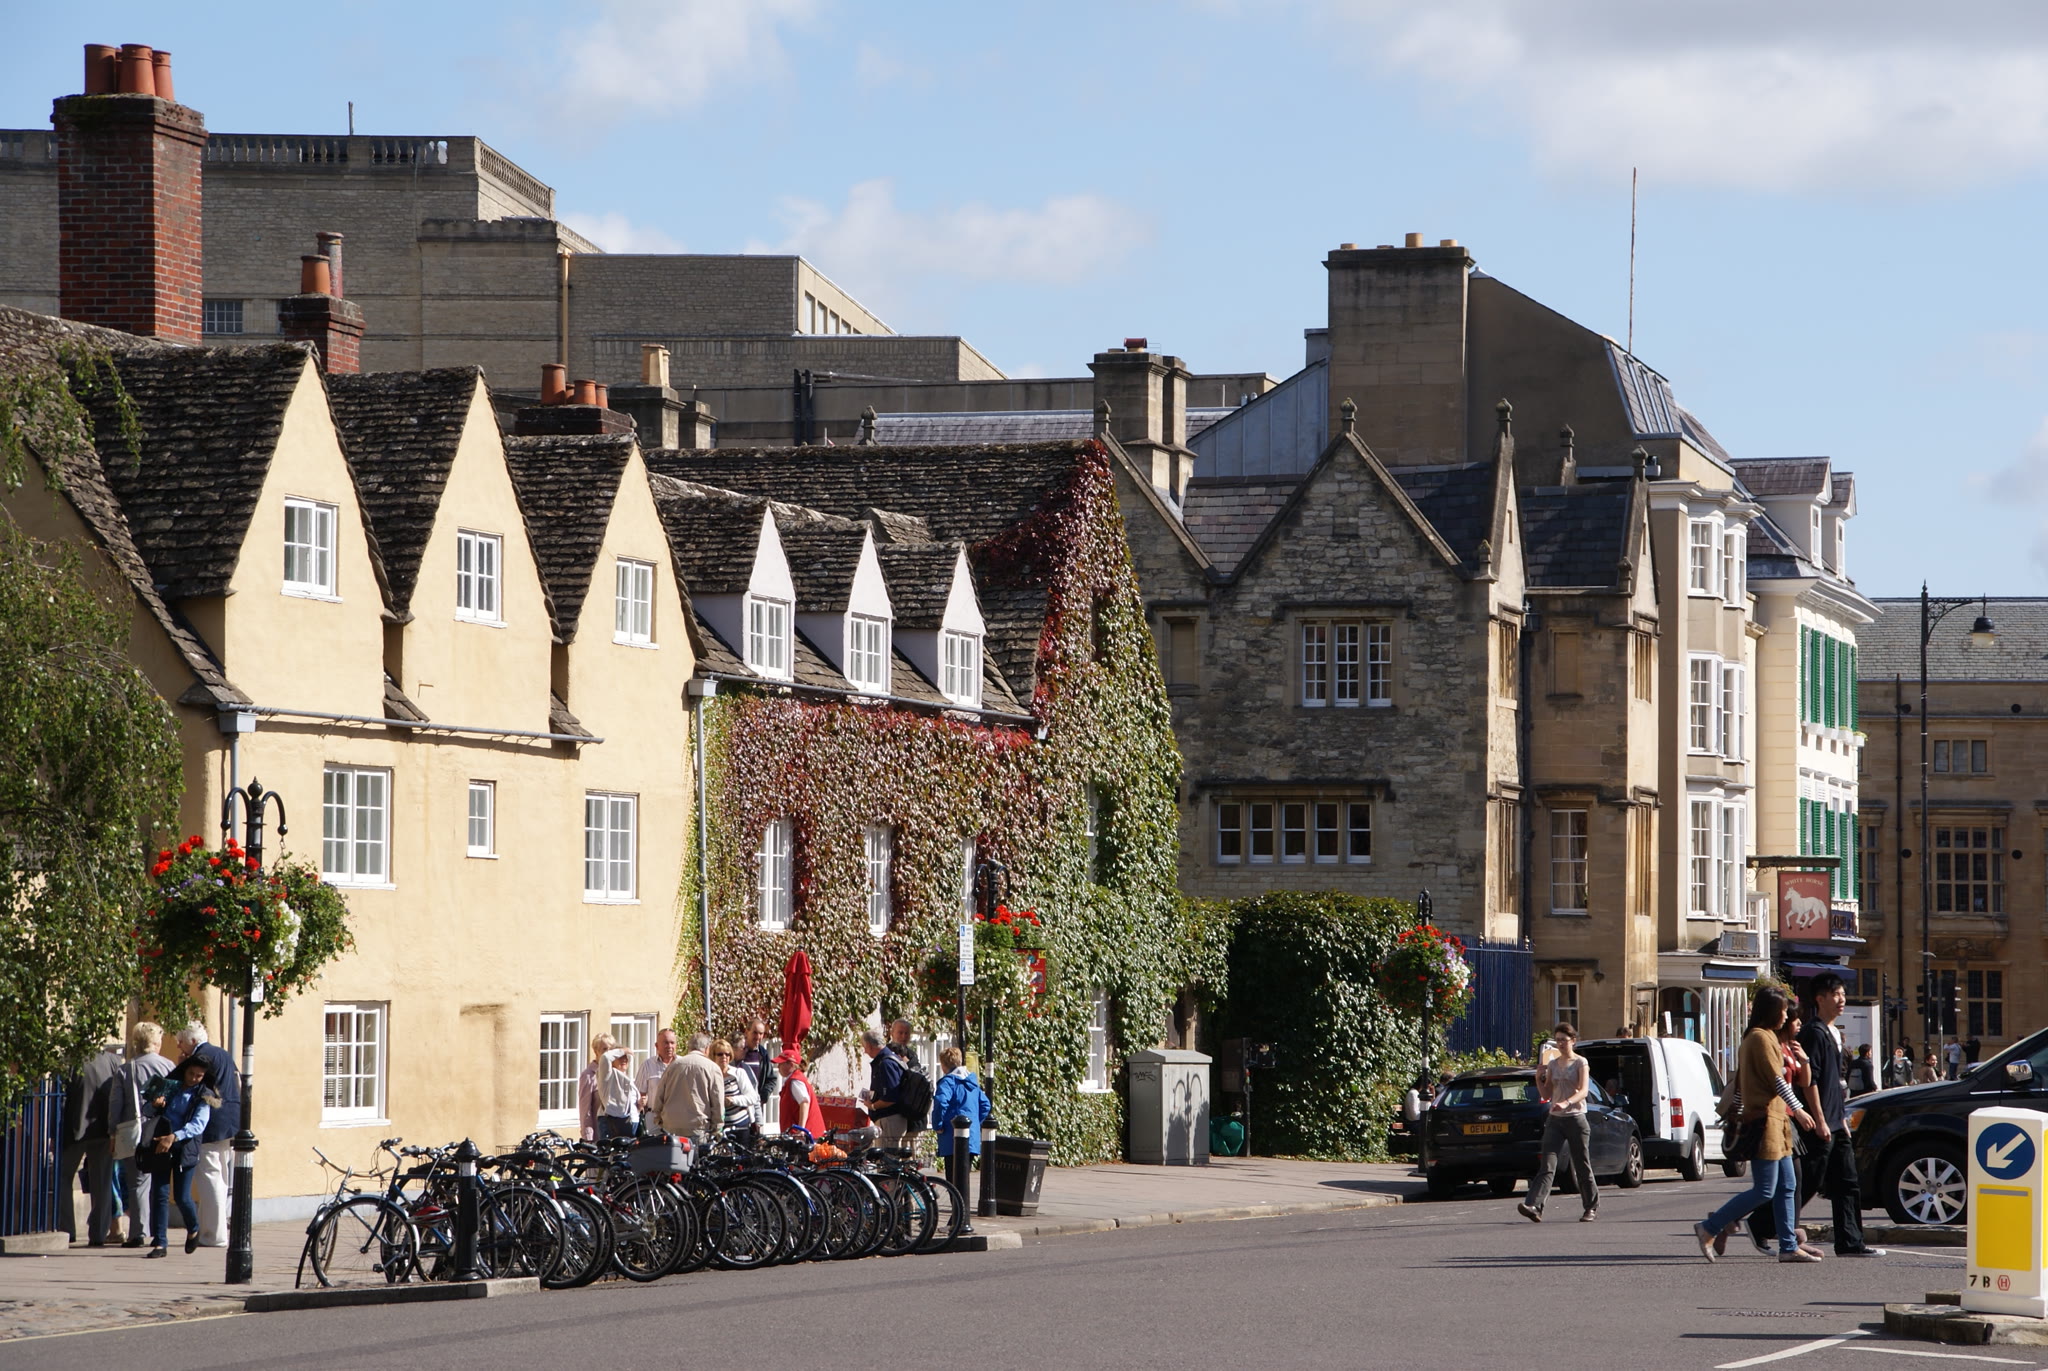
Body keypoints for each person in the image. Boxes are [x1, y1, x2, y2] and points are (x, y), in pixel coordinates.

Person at [1756, 977, 1884, 1259]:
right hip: (1818, 1122)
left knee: (1847, 1181)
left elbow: (1835, 1082)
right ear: (1820, 999)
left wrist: (1841, 1119)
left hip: (1837, 1121)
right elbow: (1808, 1082)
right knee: (1809, 1180)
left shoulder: (1834, 1032)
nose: (1841, 999)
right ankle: (1761, 1223)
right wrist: (1820, 1119)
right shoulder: (1814, 1033)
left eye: (1843, 994)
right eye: (1835, 994)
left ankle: (1850, 1242)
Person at [1694, 987, 1823, 1263]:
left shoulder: (1762, 1038)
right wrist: (1799, 1110)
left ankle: (1788, 1246)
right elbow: (1776, 1080)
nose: (1786, 1016)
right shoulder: (1760, 1038)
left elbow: (1744, 1081)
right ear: (1771, 1012)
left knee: (1787, 1185)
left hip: (1778, 1122)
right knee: (1765, 1189)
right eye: (1783, 1011)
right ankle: (1710, 1227)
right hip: (1767, 1123)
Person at [1516, 1023, 1598, 1224]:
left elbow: (1583, 1091)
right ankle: (1534, 1206)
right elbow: (1546, 1094)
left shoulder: (1580, 1062)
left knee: (1581, 1164)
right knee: (1547, 1164)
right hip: (1555, 1120)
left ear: (1573, 1041)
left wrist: (1567, 1102)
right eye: (1558, 1040)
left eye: (1564, 1040)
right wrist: (1538, 1079)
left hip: (1576, 1118)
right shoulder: (1552, 1064)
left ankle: (1590, 1207)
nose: (1560, 1044)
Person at [140, 1057, 215, 1258]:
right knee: (160, 1193)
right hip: (161, 1145)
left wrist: (174, 1137)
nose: (193, 1078)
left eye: (199, 1076)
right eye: (191, 1073)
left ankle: (193, 1227)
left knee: (182, 1197)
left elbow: (198, 1125)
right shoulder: (171, 1087)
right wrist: (155, 1104)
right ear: (184, 1070)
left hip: (185, 1148)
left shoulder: (204, 1095)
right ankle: (160, 1243)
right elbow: (147, 1110)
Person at [174, 1022, 240, 1248]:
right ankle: (211, 1230)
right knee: (220, 1176)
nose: (179, 1047)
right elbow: (237, 1083)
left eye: (180, 1042)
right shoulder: (222, 1053)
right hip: (229, 1120)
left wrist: (182, 1066)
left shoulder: (199, 1058)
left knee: (210, 1177)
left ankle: (214, 1234)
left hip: (210, 1123)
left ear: (192, 1041)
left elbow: (187, 1087)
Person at [111, 1022, 175, 1248]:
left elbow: (116, 1105)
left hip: (135, 1131)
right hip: (161, 1130)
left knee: (137, 1183)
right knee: (160, 1182)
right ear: (155, 1042)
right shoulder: (168, 1066)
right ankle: (159, 1232)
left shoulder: (126, 1069)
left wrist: (112, 1132)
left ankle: (138, 1232)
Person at [57, 1038, 122, 1247]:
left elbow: (61, 1098)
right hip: (104, 1129)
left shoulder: (69, 1061)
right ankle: (99, 1233)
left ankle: (67, 1230)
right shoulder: (112, 1061)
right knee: (102, 1182)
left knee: (63, 1177)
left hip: (75, 1129)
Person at [649, 1033, 724, 1140]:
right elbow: (717, 1101)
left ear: (689, 1047)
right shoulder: (712, 1068)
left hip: (671, 1125)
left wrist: (659, 1119)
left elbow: (659, 1095)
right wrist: (717, 1127)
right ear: (707, 1049)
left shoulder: (673, 1065)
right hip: (698, 1126)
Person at [930, 1047, 993, 1160]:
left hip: (952, 1137)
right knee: (965, 1170)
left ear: (943, 1065)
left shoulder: (948, 1082)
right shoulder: (972, 1082)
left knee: (952, 1170)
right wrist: (973, 1123)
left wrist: (938, 1125)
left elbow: (941, 1102)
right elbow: (985, 1105)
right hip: (971, 1138)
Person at [861, 1028, 912, 1148]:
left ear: (869, 1045)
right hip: (891, 1119)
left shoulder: (886, 1063)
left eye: (865, 1047)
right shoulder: (890, 1058)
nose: (865, 1051)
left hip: (889, 1120)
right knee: (889, 1156)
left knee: (887, 1157)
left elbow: (890, 1097)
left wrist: (872, 1106)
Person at [776, 1048, 826, 1141]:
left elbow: (804, 1102)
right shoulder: (794, 1079)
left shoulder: (795, 1081)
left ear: (791, 1065)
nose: (778, 1066)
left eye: (781, 1063)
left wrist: (801, 1129)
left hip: (806, 1137)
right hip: (804, 1136)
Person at [577, 1034, 618, 1142]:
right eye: (604, 1049)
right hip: (598, 1136)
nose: (608, 1053)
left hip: (616, 1134)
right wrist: (588, 1138)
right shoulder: (588, 1076)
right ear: (596, 1052)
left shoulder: (616, 1073)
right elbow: (585, 1111)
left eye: (611, 1049)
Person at [595, 1047, 639, 1140]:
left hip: (630, 1123)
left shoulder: (627, 1078)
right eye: (620, 1057)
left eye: (625, 1057)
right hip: (612, 1123)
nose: (624, 1060)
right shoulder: (607, 1075)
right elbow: (605, 1058)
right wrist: (624, 1050)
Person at [638, 1029, 678, 1129]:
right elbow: (639, 1093)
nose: (669, 1046)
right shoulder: (647, 1065)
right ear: (656, 1046)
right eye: (665, 1043)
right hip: (654, 1118)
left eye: (672, 1043)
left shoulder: (682, 1064)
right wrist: (642, 1100)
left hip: (677, 1118)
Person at [711, 1040, 756, 1129]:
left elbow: (752, 1098)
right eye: (720, 1054)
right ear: (713, 1056)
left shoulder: (738, 1073)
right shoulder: (710, 1076)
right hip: (719, 1127)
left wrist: (732, 1100)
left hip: (741, 1125)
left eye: (727, 1054)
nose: (724, 1057)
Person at [738, 1020, 778, 1113]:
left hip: (756, 1106)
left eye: (761, 1034)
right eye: (755, 1033)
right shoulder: (737, 1051)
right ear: (747, 1032)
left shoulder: (763, 1054)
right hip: (738, 1105)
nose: (758, 1037)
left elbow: (771, 1079)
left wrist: (763, 1097)